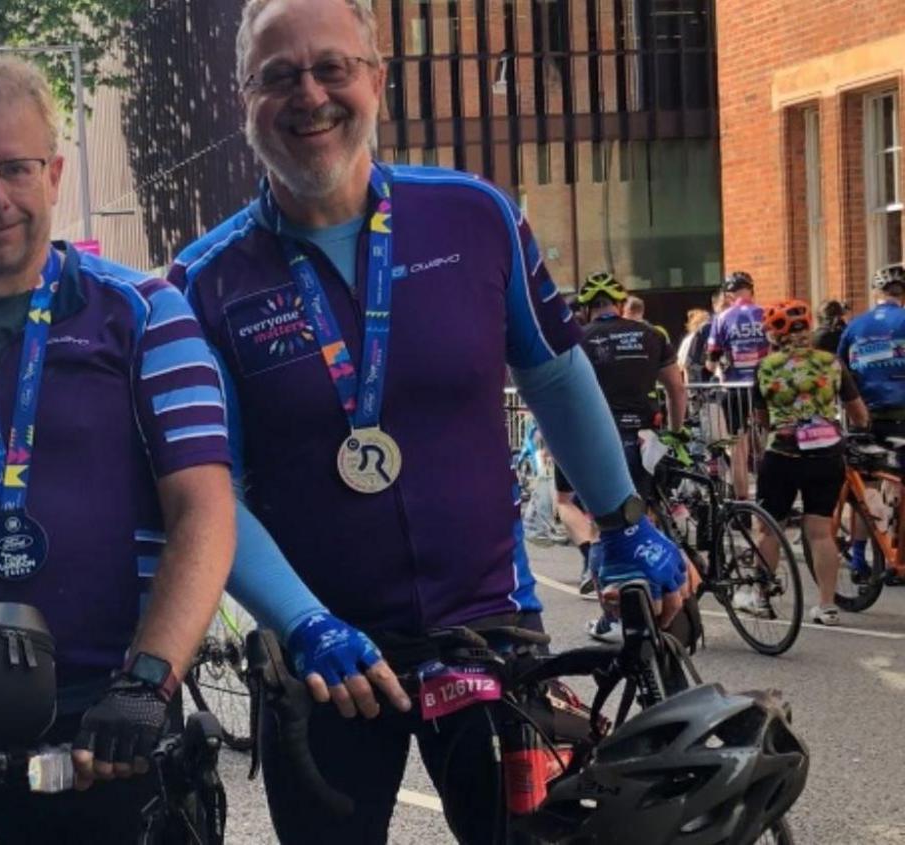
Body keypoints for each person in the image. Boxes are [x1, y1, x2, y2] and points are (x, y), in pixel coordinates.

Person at [170, 1, 689, 840]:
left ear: (377, 79)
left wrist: (624, 517)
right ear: (245, 100)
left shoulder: (474, 215)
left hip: (490, 629)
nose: (311, 95)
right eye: (280, 76)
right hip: (322, 659)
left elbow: (555, 375)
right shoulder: (202, 281)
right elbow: (210, 489)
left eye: (334, 67)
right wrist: (300, 622)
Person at [0, 56, 236, 843]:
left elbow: (203, 510)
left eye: (17, 168)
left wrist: (148, 681)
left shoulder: (144, 315)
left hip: (116, 721)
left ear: (54, 173)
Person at [568, 272, 687, 642]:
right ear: (620, 304)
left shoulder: (579, 338)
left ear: (588, 309)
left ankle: (617, 616)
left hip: (600, 440)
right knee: (642, 518)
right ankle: (651, 599)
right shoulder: (652, 334)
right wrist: (677, 430)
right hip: (645, 436)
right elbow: (676, 389)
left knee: (607, 525)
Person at [752, 299, 868, 625]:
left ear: (776, 334)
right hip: (827, 454)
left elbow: (761, 417)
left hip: (783, 453)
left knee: (768, 529)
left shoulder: (767, 366)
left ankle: (762, 599)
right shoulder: (831, 363)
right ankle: (827, 606)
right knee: (820, 532)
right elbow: (858, 413)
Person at [836, 264, 905, 585]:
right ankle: (897, 557)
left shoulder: (855, 326)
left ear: (876, 294)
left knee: (867, 489)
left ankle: (861, 556)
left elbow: (841, 372)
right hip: (901, 413)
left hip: (865, 415)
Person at [708, 272, 768, 497]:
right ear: (751, 290)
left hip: (735, 387)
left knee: (738, 450)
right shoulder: (765, 313)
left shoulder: (722, 318)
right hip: (764, 385)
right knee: (768, 443)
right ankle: (769, 500)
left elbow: (710, 359)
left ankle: (742, 506)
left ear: (729, 295)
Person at [677, 306, 711, 385]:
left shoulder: (688, 339)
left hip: (695, 379)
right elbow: (683, 364)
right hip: (697, 377)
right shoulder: (691, 339)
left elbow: (681, 363)